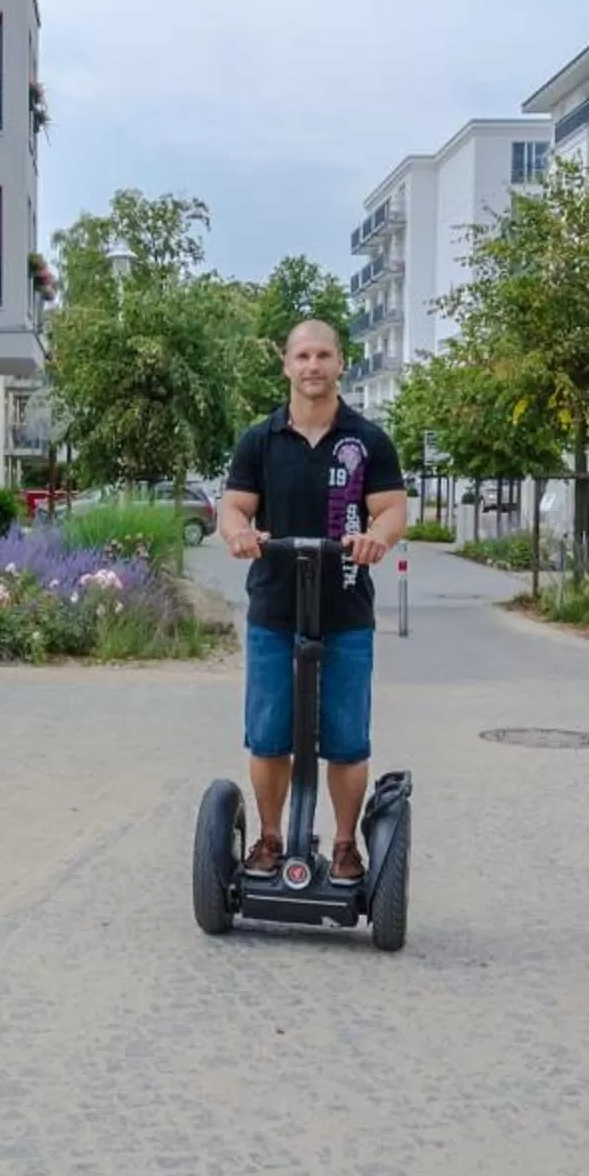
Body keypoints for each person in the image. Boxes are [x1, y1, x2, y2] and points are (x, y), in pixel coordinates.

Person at [217, 319, 407, 881]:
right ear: (286, 365)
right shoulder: (260, 439)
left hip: (345, 608)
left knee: (347, 739)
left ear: (341, 363)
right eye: (302, 356)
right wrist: (237, 533)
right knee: (270, 733)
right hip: (275, 609)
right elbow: (234, 507)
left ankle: (347, 846)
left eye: (324, 355)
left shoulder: (367, 440)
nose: (313, 366)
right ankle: (271, 839)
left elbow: (392, 508)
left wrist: (380, 536)